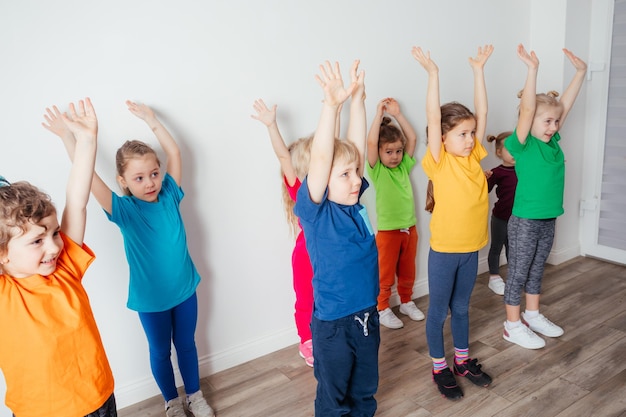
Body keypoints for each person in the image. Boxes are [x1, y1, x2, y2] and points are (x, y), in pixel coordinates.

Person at [47, 100, 214, 417]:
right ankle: (172, 402)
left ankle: (195, 395)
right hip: (151, 300)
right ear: (123, 181)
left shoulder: (169, 194)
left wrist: (153, 119)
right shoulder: (123, 211)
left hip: (185, 290)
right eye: (139, 178)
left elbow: (175, 153)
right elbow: (88, 177)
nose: (150, 182)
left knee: (187, 345)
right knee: (160, 351)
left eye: (154, 173)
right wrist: (69, 138)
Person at [0, 98, 116, 417]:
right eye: (37, 240)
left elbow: (76, 201)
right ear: (3, 254)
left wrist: (88, 140)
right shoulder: (5, 296)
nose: (54, 246)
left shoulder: (65, 269)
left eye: (52, 233)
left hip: (99, 399)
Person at [294, 60, 380, 416]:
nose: (356, 179)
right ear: (319, 180)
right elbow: (322, 157)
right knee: (333, 395)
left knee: (364, 389)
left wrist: (358, 101)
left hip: (367, 317)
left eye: (355, 173)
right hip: (333, 326)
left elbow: (354, 152)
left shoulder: (352, 204)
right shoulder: (316, 212)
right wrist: (331, 107)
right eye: (344, 174)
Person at [412, 45, 494, 400]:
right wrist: (433, 75)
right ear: (443, 139)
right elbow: (432, 118)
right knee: (439, 313)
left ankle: (461, 361)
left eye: (471, 132)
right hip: (445, 252)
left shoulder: (474, 156)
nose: (470, 139)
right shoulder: (439, 161)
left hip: (470, 249)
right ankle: (438, 366)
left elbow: (484, 112)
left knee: (462, 308)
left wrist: (478, 71)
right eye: (461, 134)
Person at [502, 45, 587, 350]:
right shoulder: (523, 144)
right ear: (530, 123)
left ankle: (532, 314)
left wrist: (580, 72)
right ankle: (511, 325)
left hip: (547, 219)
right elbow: (528, 110)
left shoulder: (552, 142)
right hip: (525, 221)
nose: (553, 126)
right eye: (546, 122)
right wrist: (532, 70)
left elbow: (562, 106)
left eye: (555, 122)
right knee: (519, 272)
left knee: (537, 270)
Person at [251, 99, 316, 366]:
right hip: (306, 255)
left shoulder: (336, 189)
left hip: (329, 256)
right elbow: (283, 157)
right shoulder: (299, 190)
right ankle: (307, 341)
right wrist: (271, 125)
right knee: (306, 300)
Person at [366, 97, 424, 329]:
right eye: (389, 151)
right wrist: (378, 116)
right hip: (388, 232)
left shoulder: (404, 166)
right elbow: (370, 144)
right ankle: (382, 307)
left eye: (398, 151)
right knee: (385, 273)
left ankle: (407, 301)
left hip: (409, 228)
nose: (395, 156)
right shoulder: (377, 171)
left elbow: (413, 138)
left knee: (408, 269)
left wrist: (398, 115)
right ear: (380, 153)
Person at [484, 131, 516, 295]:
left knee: (514, 248)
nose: (515, 153)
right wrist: (486, 178)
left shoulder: (524, 169)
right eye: (510, 150)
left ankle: (514, 277)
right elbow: (486, 191)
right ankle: (494, 278)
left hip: (519, 219)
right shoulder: (497, 172)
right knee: (496, 247)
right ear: (499, 152)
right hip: (500, 218)